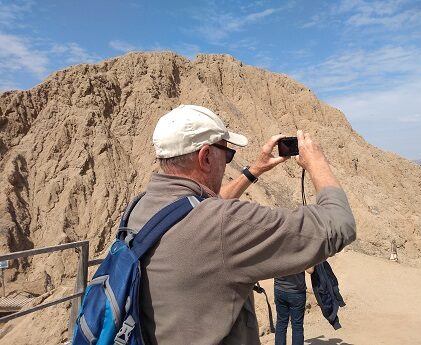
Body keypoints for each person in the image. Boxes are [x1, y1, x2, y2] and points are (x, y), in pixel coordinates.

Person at [127, 104, 356, 345]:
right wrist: (317, 162)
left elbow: (199, 206)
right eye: (227, 154)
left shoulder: (141, 207)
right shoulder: (224, 224)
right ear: (205, 157)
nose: (227, 162)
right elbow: (340, 223)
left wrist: (255, 170)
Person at [274, 267, 315, 345]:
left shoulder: (274, 253)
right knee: (297, 326)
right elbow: (310, 270)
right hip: (297, 292)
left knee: (281, 323)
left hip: (279, 289)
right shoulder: (301, 253)